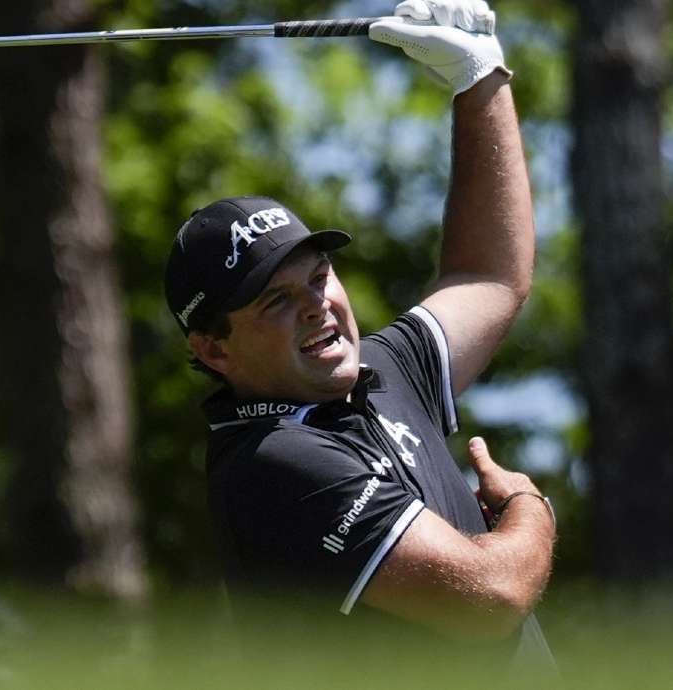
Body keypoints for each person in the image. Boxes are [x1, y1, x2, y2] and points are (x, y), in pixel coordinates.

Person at [163, 0, 557, 667]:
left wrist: (481, 79)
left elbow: (488, 276)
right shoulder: (270, 462)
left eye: (319, 278)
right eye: (277, 301)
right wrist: (530, 510)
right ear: (213, 348)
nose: (316, 307)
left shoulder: (383, 371)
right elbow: (489, 597)